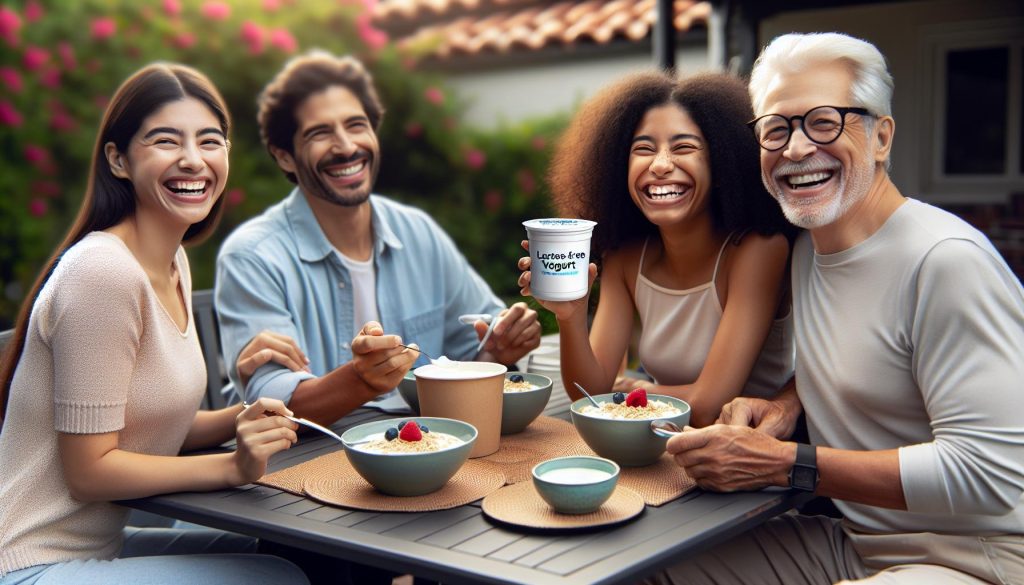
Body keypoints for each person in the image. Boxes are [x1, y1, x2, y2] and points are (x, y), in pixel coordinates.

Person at [654, 32, 1024, 584]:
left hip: (980, 557)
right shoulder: (808, 248)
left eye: (824, 121)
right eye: (776, 129)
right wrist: (785, 404)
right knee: (654, 569)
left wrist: (784, 466)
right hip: (857, 542)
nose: (796, 148)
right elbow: (871, 349)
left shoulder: (945, 261)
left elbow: (995, 473)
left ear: (881, 137)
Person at [0, 64, 307, 584]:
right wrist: (232, 467)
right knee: (282, 578)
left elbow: (148, 428)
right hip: (29, 563)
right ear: (118, 160)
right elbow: (90, 471)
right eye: (166, 141)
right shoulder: (102, 272)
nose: (193, 159)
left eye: (210, 140)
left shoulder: (174, 262)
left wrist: (243, 418)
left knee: (301, 552)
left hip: (100, 548)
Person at [215, 50, 541, 425]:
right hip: (303, 458)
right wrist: (360, 381)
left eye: (356, 125)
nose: (347, 147)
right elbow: (271, 404)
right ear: (285, 156)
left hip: (426, 442)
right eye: (320, 133)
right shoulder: (252, 256)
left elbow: (475, 351)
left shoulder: (418, 232)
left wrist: (499, 348)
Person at [518, 72, 796, 426]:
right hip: (664, 453)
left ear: (722, 162)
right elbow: (589, 390)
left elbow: (710, 404)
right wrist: (569, 315)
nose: (661, 164)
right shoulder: (627, 258)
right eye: (643, 149)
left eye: (683, 147)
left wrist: (634, 390)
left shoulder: (757, 251)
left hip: (748, 465)